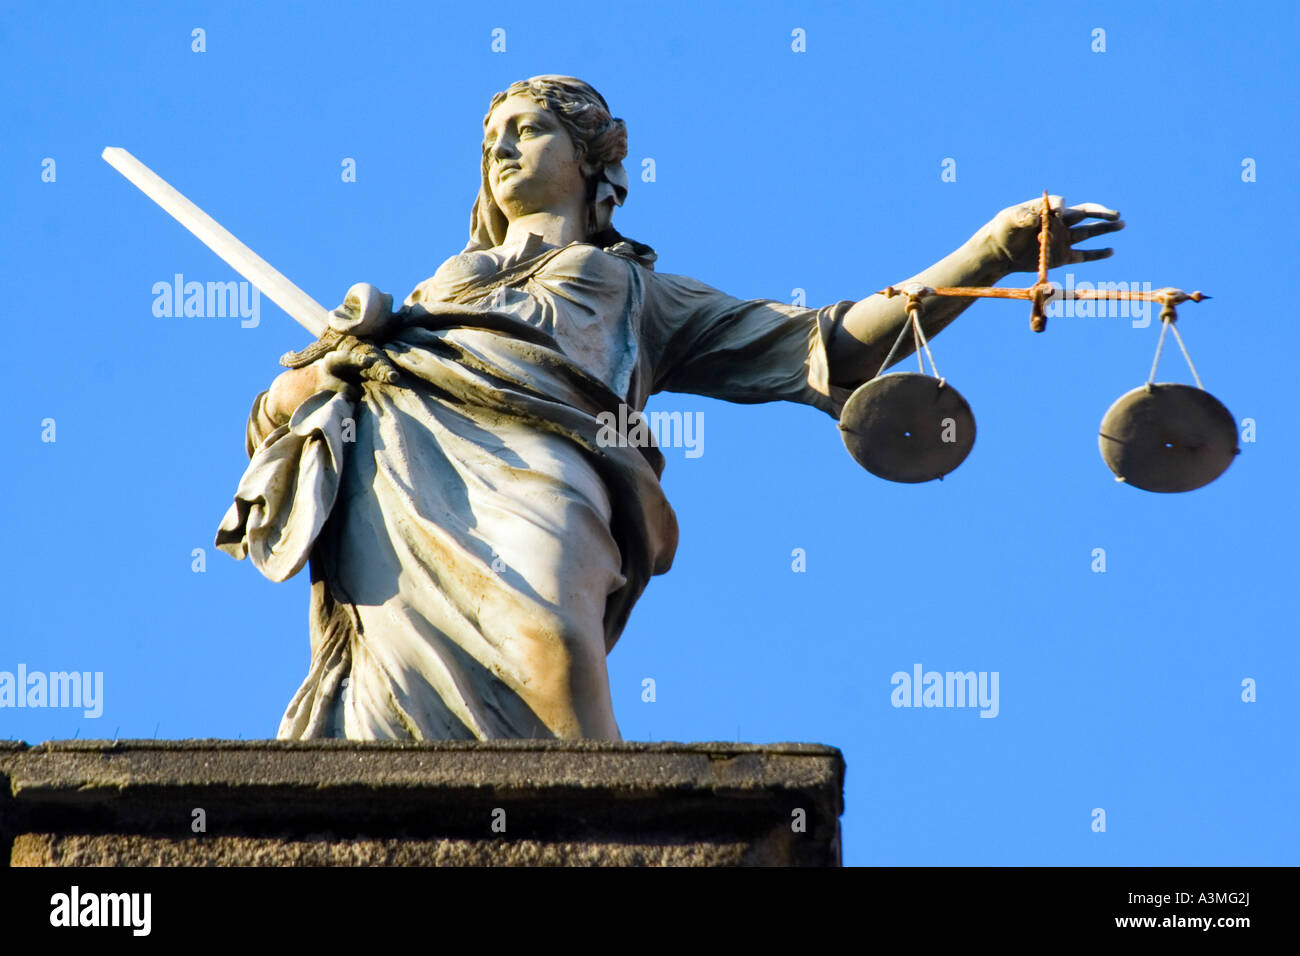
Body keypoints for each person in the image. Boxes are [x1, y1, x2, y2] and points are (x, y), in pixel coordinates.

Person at [216, 75, 1123, 741]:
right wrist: (310, 378)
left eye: (528, 130)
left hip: (549, 467)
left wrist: (986, 254)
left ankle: (615, 829)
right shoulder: (433, 291)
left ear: (590, 156)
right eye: (492, 137)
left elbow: (828, 343)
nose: (501, 150)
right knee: (389, 707)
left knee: (551, 640)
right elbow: (291, 411)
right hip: (403, 469)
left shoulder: (638, 290)